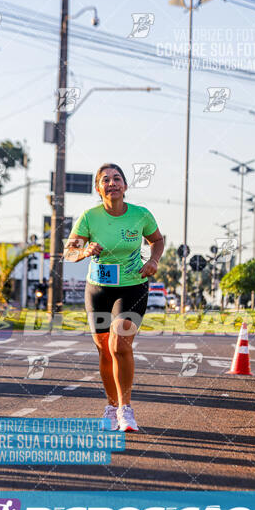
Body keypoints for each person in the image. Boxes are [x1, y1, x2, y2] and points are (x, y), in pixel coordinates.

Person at [64, 163, 164, 431]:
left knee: (120, 345)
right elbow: (69, 252)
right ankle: (111, 406)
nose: (112, 183)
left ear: (125, 186)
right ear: (99, 188)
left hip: (133, 286)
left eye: (117, 178)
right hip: (99, 288)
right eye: (105, 180)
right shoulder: (89, 217)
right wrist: (84, 251)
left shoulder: (141, 215)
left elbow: (157, 240)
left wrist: (153, 260)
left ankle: (126, 409)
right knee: (104, 350)